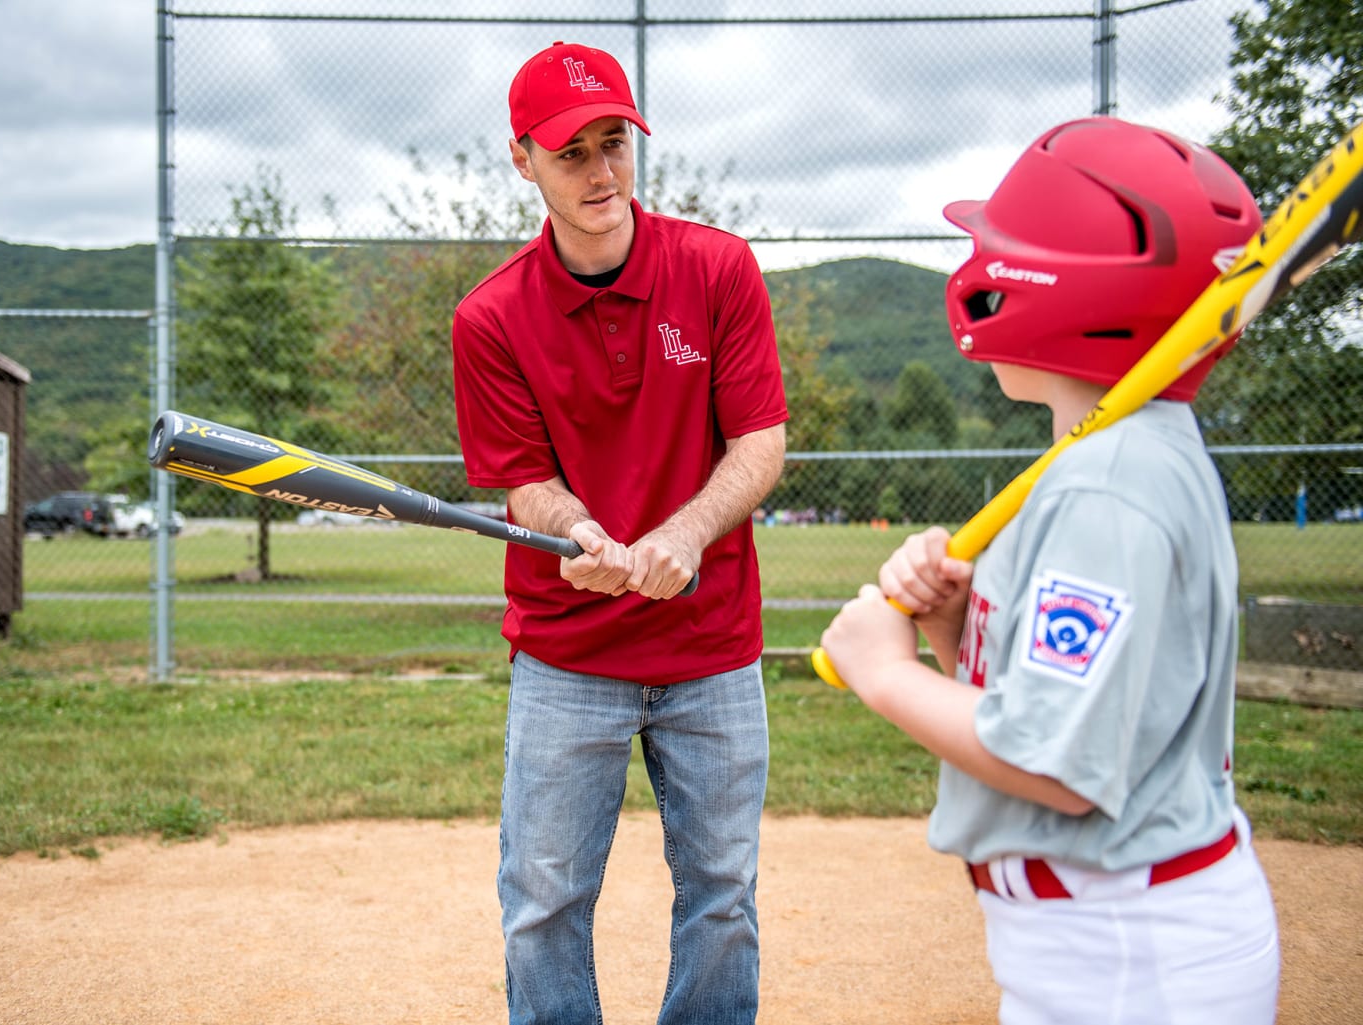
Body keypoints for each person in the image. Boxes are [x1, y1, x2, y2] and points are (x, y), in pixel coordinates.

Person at [818, 117, 1282, 1025]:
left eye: (1000, 245)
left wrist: (885, 671)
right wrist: (960, 630)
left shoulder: (1107, 485)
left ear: (1053, 287)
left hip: (1130, 958)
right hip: (1110, 942)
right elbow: (1081, 709)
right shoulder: (1116, 454)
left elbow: (1054, 760)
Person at [451, 40, 788, 1025]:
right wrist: (580, 532)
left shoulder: (718, 269)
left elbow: (759, 443)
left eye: (615, 143)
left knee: (723, 896)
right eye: (572, 153)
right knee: (544, 903)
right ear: (522, 159)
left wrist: (684, 534)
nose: (600, 173)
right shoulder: (491, 317)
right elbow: (524, 482)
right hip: (569, 645)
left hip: (711, 639)